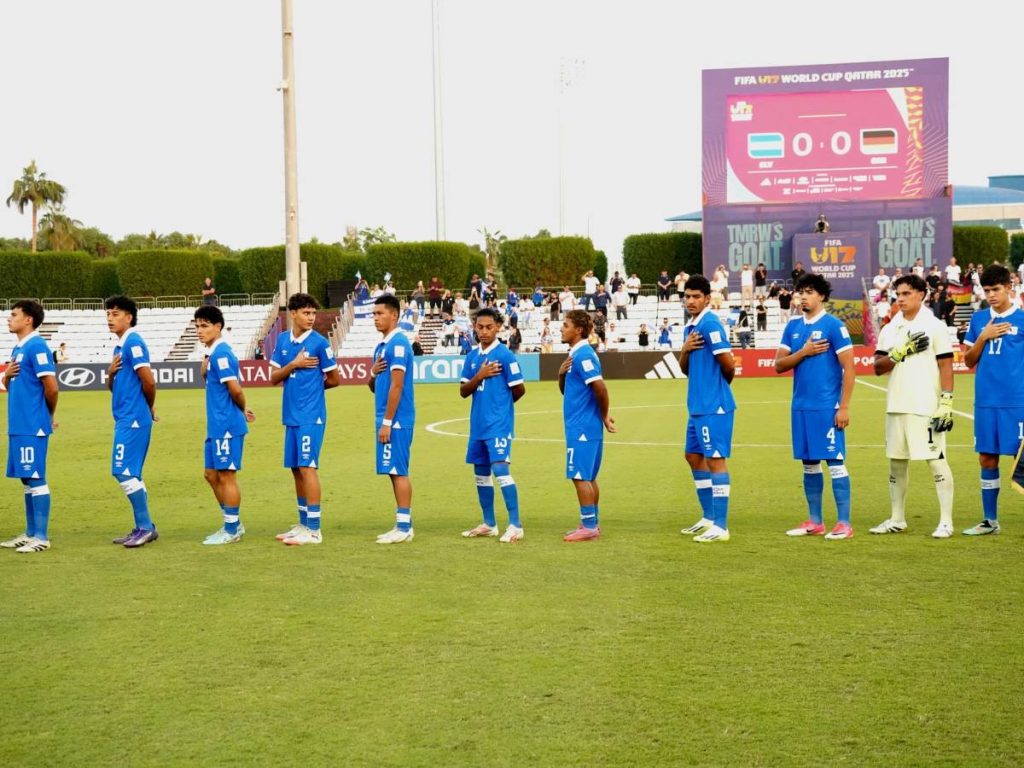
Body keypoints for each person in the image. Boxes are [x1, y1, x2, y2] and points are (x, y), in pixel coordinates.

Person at [869, 274, 955, 538]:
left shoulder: (935, 326)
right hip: (896, 404)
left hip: (925, 404)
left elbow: (946, 364)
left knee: (936, 460)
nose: (901, 298)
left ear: (921, 294)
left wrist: (946, 402)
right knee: (896, 463)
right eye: (898, 294)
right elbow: (878, 368)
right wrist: (899, 351)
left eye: (907, 293)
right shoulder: (890, 328)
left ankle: (946, 521)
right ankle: (897, 518)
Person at [774, 274, 856, 540]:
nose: (803, 297)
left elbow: (850, 369)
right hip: (800, 407)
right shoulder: (793, 326)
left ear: (821, 295)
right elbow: (779, 364)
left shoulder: (834, 325)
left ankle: (844, 523)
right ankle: (815, 521)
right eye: (801, 292)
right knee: (809, 465)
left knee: (835, 462)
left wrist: (843, 407)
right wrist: (804, 352)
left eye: (809, 292)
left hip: (826, 407)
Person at [269, 293, 341, 546]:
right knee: (296, 469)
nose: (311, 318)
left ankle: (314, 529)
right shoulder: (282, 340)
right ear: (293, 313)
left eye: (313, 313)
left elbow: (334, 379)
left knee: (308, 467)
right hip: (291, 415)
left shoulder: (320, 343)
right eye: (306, 313)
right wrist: (295, 364)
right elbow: (274, 377)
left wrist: (313, 390)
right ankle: (302, 524)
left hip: (311, 416)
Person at [960, 265, 1024, 536]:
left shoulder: (1021, 319)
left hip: (1017, 402)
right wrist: (983, 338)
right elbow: (968, 360)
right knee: (987, 458)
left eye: (996, 289)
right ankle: (990, 521)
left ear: (1009, 287)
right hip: (986, 401)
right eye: (987, 291)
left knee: (1021, 461)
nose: (991, 295)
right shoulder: (979, 319)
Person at [459, 309, 527, 543]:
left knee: (500, 469)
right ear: (474, 328)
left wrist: (501, 408)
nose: (484, 331)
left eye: (489, 327)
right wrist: (480, 376)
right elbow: (463, 391)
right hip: (477, 426)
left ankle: (516, 525)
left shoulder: (505, 356)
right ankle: (489, 523)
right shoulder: (471, 357)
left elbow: (519, 389)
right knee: (481, 474)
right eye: (480, 327)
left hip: (498, 425)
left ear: (498, 326)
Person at [679, 275, 736, 543]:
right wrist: (685, 349)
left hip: (714, 405)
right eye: (687, 296)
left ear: (706, 298)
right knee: (693, 456)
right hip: (697, 406)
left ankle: (721, 526)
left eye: (695, 297)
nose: (690, 301)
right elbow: (684, 369)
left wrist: (717, 392)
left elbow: (728, 364)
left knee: (715, 460)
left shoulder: (711, 323)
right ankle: (709, 517)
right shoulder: (689, 327)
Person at [0, 300, 58, 553]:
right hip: (19, 424)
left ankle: (42, 538)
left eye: (14, 315)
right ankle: (30, 532)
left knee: (36, 477)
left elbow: (52, 387)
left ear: (28, 320)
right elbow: (16, 386)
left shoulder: (37, 346)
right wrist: (6, 376)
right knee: (26, 478)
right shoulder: (19, 349)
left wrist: (47, 415)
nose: (8, 318)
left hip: (32, 425)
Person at [195, 305, 255, 545]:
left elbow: (235, 390)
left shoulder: (221, 354)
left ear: (217, 327)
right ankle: (233, 522)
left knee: (227, 476)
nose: (199, 331)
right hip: (216, 426)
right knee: (210, 474)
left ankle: (231, 529)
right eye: (197, 326)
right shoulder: (213, 355)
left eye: (205, 326)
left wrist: (241, 409)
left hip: (227, 426)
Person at [104, 295, 160, 548]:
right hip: (126, 417)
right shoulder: (120, 347)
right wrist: (110, 374)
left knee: (122, 470)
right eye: (108, 314)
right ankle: (142, 526)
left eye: (116, 314)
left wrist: (148, 407)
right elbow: (113, 387)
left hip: (134, 419)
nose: (110, 318)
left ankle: (146, 527)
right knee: (132, 473)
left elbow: (148, 381)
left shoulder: (133, 342)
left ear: (129, 317)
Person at [558, 310, 616, 541]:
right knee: (588, 476)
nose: (561, 329)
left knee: (580, 476)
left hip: (582, 425)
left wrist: (604, 415)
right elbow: (569, 391)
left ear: (578, 330)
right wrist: (561, 374)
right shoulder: (576, 356)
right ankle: (592, 522)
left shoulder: (583, 355)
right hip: (584, 424)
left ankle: (589, 526)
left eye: (565, 325)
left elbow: (600, 388)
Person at [369, 295, 417, 544]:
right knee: (392, 470)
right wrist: (372, 373)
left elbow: (397, 386)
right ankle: (402, 523)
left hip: (396, 419)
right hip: (386, 417)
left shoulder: (398, 344)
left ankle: (404, 527)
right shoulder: (382, 346)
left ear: (394, 315)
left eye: (380, 313)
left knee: (399, 470)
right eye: (374, 314)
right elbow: (376, 386)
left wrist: (388, 421)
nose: (375, 318)